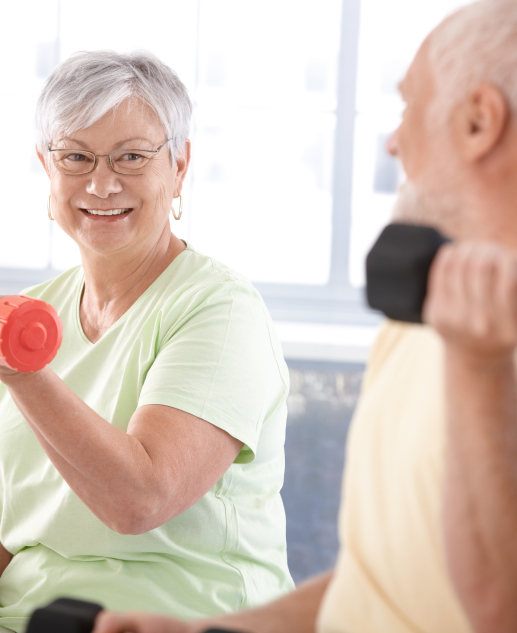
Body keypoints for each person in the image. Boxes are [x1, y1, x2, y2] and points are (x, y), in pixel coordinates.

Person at [93, 1, 517, 632]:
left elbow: (499, 611)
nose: (394, 141)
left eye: (408, 108)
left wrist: (483, 371)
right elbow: (378, 583)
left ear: (480, 122)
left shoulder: (480, 353)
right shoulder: (414, 323)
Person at [0, 50, 294, 632]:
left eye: (132, 157)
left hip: (177, 617)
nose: (101, 183)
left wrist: (23, 371)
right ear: (46, 166)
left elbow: (140, 501)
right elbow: (13, 529)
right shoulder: (31, 313)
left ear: (179, 166)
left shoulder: (219, 309)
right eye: (76, 156)